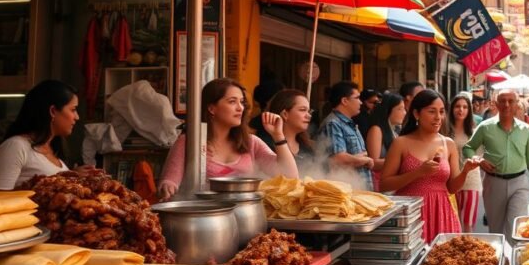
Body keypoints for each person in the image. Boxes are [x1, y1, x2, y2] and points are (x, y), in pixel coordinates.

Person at [159, 78, 298, 200]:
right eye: (232, 102)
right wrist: (167, 186)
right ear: (212, 108)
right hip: (203, 216)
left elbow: (290, 177)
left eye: (242, 102)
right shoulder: (189, 142)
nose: (240, 108)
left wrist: (278, 136)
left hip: (245, 215)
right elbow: (169, 181)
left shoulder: (251, 142)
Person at [380, 90, 480, 242]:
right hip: (411, 214)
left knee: (444, 256)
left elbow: (452, 188)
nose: (438, 117)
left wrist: (465, 171)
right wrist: (417, 172)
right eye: (432, 111)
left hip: (442, 213)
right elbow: (384, 184)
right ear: (416, 114)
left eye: (441, 112)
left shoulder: (448, 144)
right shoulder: (401, 143)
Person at [463, 89, 529, 240]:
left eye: (511, 101)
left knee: (515, 227)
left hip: (519, 183)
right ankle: (501, 255)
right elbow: (468, 148)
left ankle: (512, 254)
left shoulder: (525, 129)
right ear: (496, 104)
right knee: (496, 230)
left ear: (516, 104)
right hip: (494, 183)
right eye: (502, 101)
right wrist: (478, 160)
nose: (507, 105)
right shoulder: (485, 127)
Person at [0, 80, 79, 190]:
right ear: (53, 111)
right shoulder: (16, 146)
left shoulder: (53, 149)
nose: (77, 117)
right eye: (73, 110)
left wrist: (74, 176)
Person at [316, 81, 375, 190]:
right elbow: (338, 158)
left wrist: (360, 158)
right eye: (357, 98)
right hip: (346, 190)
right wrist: (364, 160)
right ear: (344, 101)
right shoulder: (333, 123)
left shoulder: (348, 123)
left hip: (358, 188)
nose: (360, 102)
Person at [448, 94, 480, 232]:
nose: (461, 110)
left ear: (469, 110)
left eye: (465, 107)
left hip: (470, 181)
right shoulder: (444, 131)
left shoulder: (474, 132)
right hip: (450, 181)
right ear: (452, 109)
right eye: (457, 106)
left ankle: (468, 245)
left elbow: (481, 154)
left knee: (468, 223)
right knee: (453, 222)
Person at [266, 89, 316, 168]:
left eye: (309, 111)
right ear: (285, 114)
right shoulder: (265, 147)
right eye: (302, 110)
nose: (309, 116)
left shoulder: (308, 148)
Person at [365, 92, 405, 188]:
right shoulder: (376, 130)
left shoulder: (396, 130)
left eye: (404, 109)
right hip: (381, 182)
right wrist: (400, 161)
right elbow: (373, 163)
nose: (404, 112)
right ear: (388, 110)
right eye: (400, 109)